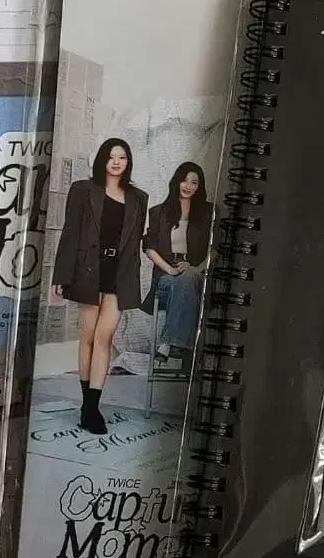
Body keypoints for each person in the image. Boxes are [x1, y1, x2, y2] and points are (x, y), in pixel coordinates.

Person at [51, 139, 148, 435]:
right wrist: (61, 275)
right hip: (88, 271)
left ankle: (93, 406)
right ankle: (86, 404)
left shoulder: (139, 198)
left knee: (105, 338)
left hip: (119, 274)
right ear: (103, 160)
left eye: (122, 157)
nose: (116, 162)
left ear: (128, 162)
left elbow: (134, 244)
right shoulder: (83, 190)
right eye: (111, 157)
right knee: (89, 337)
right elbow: (70, 233)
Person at [142, 162, 213, 367]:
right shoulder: (158, 212)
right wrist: (171, 269)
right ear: (176, 182)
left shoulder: (208, 212)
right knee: (184, 283)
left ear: (200, 187)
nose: (188, 186)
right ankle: (181, 348)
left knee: (189, 279)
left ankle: (167, 343)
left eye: (194, 182)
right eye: (184, 180)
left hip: (196, 273)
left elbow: (215, 248)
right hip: (166, 277)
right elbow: (149, 248)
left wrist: (196, 269)